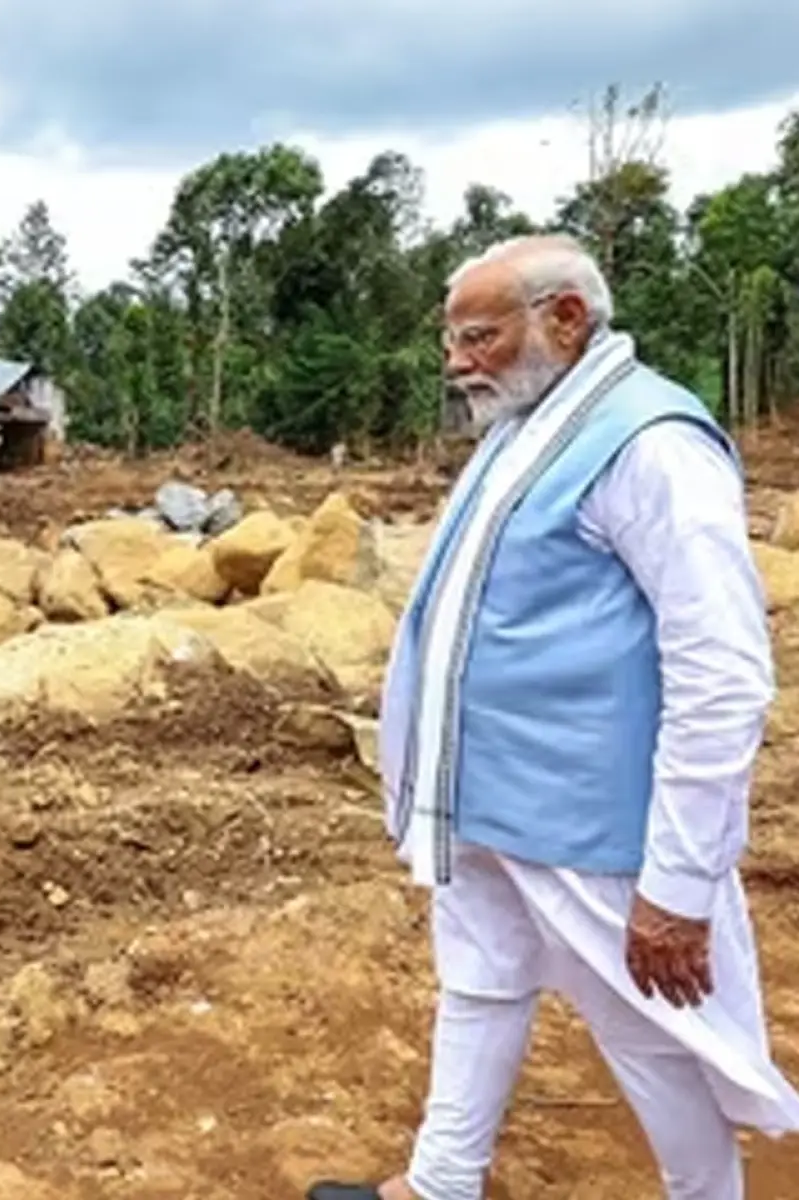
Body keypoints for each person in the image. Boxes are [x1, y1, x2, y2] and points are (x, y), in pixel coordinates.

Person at [307, 234, 799, 1200]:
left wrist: (678, 881)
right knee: (480, 977)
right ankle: (439, 1182)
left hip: (585, 819)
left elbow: (721, 669)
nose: (455, 362)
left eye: (477, 335)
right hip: (484, 797)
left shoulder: (648, 443)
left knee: (645, 1027)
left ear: (564, 319)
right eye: (452, 338)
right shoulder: (528, 425)